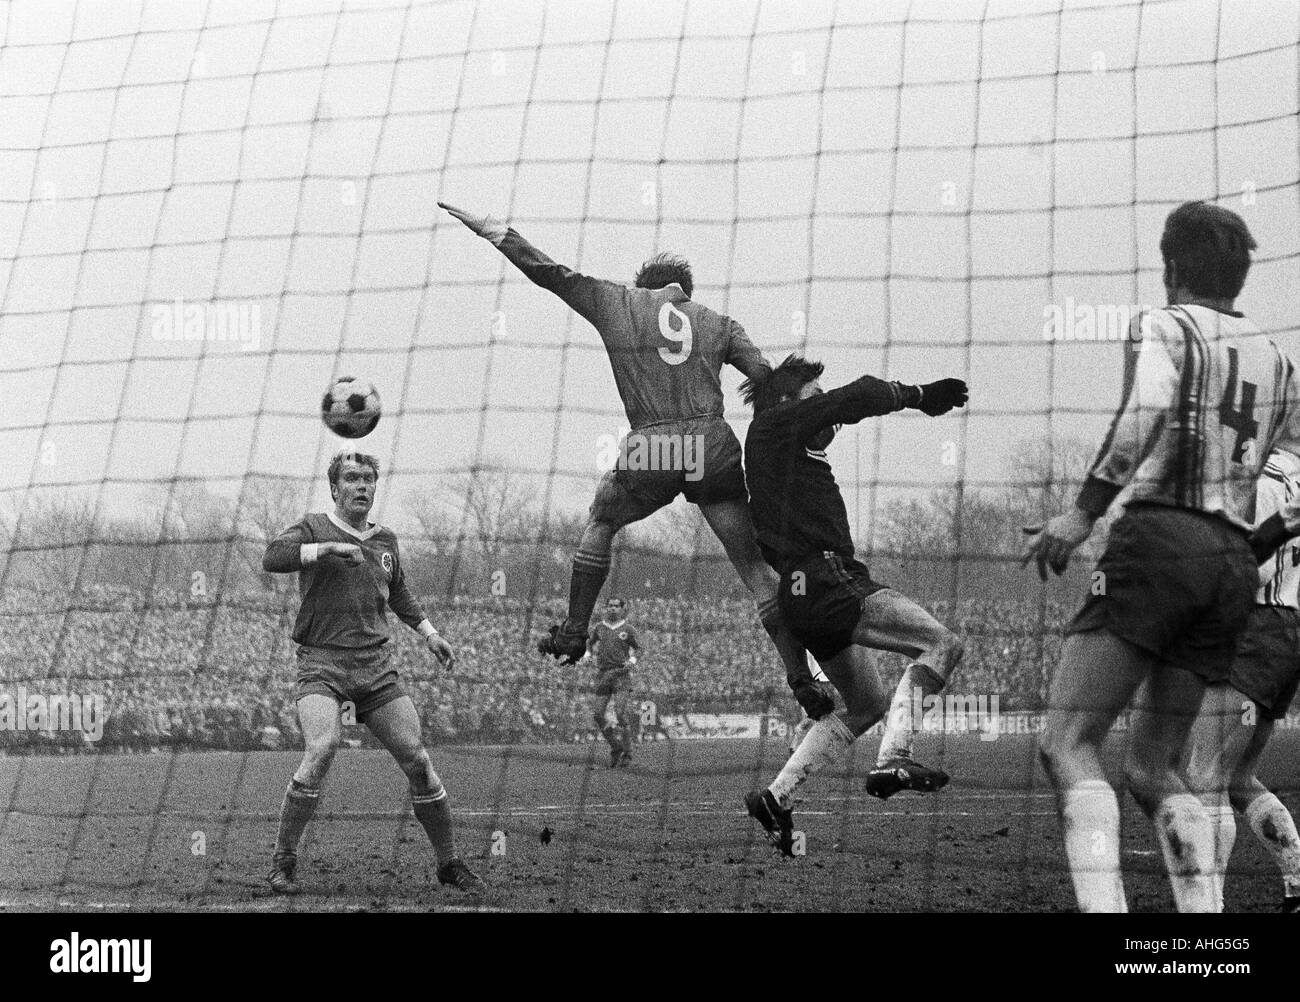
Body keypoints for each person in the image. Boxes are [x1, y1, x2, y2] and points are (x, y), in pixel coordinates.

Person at [438, 201, 833, 721]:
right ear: (684, 291)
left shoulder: (619, 302)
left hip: (654, 446)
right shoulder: (718, 323)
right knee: (757, 572)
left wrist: (495, 232)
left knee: (601, 520)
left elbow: (551, 274)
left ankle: (575, 630)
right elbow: (765, 379)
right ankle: (802, 677)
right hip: (712, 445)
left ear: (647, 285)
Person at [1024, 200, 1300, 912]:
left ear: (1172, 265)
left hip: (1161, 540)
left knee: (1068, 741)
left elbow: (1143, 413)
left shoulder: (1163, 326)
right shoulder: (1279, 360)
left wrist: (1082, 513)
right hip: (1235, 562)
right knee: (1155, 768)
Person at [738, 355, 968, 853]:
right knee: (941, 644)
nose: (826, 410)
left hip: (802, 594)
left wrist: (798, 670)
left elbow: (842, 406)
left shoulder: (780, 450)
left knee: (865, 706)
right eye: (813, 396)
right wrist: (919, 396)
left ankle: (776, 797)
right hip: (826, 577)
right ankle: (896, 756)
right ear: (786, 401)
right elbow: (858, 394)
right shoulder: (775, 426)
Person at [261, 451, 485, 897]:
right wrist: (323, 551)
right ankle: (283, 860)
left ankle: (448, 862)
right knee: (323, 746)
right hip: (322, 662)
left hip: (376, 668)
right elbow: (272, 556)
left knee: (419, 761)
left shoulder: (386, 541)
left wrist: (430, 633)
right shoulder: (313, 526)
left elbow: (398, 591)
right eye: (352, 478)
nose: (362, 485)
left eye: (368, 479)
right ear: (335, 488)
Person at [1184, 449, 1300, 912]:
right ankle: (1296, 880)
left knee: (1202, 773)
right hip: (1290, 633)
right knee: (1237, 776)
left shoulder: (1253, 474)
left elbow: (1245, 559)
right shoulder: (1295, 475)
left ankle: (1206, 906)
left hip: (1257, 625)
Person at [584, 596, 639, 767]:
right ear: (606, 608)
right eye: (610, 606)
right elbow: (589, 641)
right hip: (603, 674)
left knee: (620, 713)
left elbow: (640, 648)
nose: (613, 609)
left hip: (621, 675)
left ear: (623, 609)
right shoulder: (599, 627)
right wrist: (588, 654)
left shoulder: (628, 629)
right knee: (598, 714)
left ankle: (628, 754)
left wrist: (632, 660)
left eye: (616, 606)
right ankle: (616, 746)